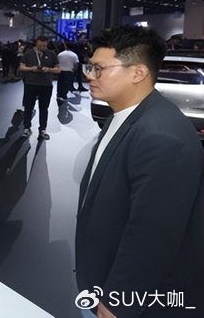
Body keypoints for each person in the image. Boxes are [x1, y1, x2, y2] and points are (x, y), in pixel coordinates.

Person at [76, 25, 203, 318]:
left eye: (99, 69)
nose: (89, 75)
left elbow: (153, 234)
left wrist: (119, 300)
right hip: (102, 275)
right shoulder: (124, 115)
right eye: (89, 67)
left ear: (138, 73)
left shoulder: (161, 135)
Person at [18, 36, 60, 139]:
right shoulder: (28, 53)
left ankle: (42, 129)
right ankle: (27, 128)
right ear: (36, 43)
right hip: (31, 84)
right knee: (28, 107)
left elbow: (58, 69)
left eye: (44, 45)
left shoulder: (51, 54)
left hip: (46, 85)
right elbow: (21, 67)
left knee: (44, 108)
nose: (42, 47)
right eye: (40, 45)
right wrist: (31, 68)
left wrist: (48, 69)